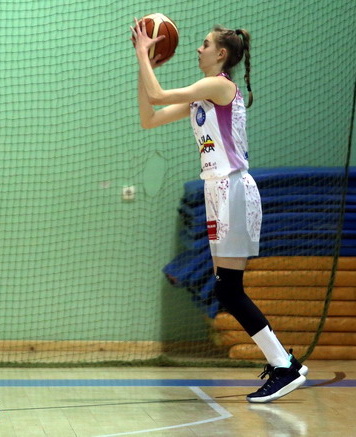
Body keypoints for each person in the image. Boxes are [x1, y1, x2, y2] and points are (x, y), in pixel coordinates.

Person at [131, 20, 308, 403]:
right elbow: (150, 118)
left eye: (205, 44)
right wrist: (143, 69)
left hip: (232, 189)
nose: (198, 49)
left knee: (228, 288)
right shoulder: (202, 97)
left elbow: (158, 94)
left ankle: (285, 365)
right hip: (217, 191)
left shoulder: (220, 86)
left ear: (221, 54)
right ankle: (284, 363)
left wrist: (144, 55)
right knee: (225, 288)